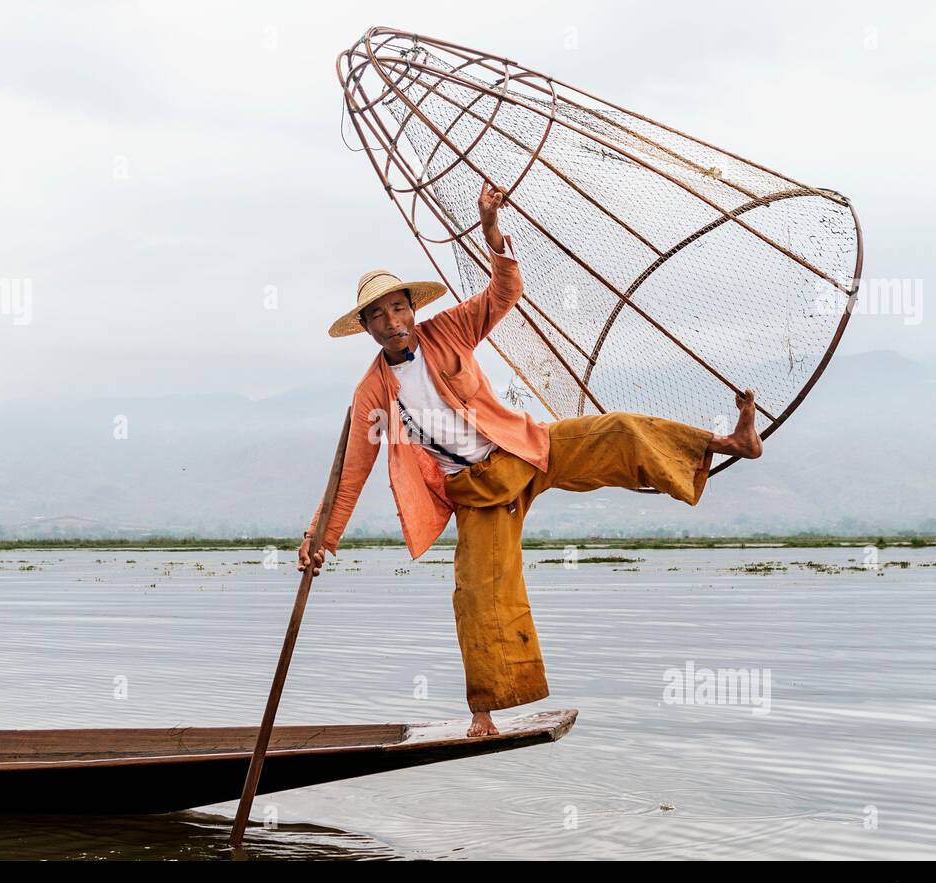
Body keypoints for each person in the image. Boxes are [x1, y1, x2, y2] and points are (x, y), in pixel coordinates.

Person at [299, 181, 762, 737]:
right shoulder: (372, 390)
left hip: (525, 448)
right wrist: (319, 541)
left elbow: (503, 293)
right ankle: (484, 714)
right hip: (476, 492)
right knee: (477, 593)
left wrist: (492, 232)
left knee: (618, 430)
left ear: (412, 309)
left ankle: (730, 443)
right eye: (379, 315)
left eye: (399, 307)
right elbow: (351, 475)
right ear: (368, 328)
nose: (393, 321)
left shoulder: (447, 330)